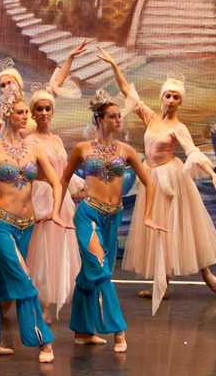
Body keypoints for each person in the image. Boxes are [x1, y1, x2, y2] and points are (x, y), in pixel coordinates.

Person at [100, 50, 216, 314]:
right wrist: (114, 65)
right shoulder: (151, 117)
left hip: (171, 177)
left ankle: (206, 272)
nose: (171, 100)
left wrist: (213, 174)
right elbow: (128, 92)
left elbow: (192, 152)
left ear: (180, 102)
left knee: (184, 227)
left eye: (176, 97)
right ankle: (162, 284)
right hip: (151, 177)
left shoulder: (178, 128)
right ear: (162, 97)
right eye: (168, 95)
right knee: (159, 229)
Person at [60, 92, 163, 352]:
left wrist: (148, 215)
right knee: (101, 270)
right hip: (88, 214)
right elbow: (63, 179)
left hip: (113, 217)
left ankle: (82, 331)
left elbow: (149, 182)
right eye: (113, 116)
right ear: (99, 119)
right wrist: (55, 210)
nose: (119, 120)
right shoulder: (83, 149)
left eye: (119, 116)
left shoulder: (126, 150)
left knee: (89, 274)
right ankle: (119, 330)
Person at [0, 91, 66, 362]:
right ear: (7, 115)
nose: (26, 116)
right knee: (24, 279)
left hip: (26, 225)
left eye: (26, 112)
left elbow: (55, 181)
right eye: (21, 112)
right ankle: (43, 341)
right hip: (1, 225)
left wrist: (55, 211)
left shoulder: (34, 149)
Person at [24, 85, 81, 321]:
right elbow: (28, 171)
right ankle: (40, 301)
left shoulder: (56, 139)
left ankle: (50, 298)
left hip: (61, 198)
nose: (44, 113)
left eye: (48, 108)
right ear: (33, 112)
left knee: (58, 248)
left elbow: (63, 170)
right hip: (41, 196)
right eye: (39, 109)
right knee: (40, 250)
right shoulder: (29, 140)